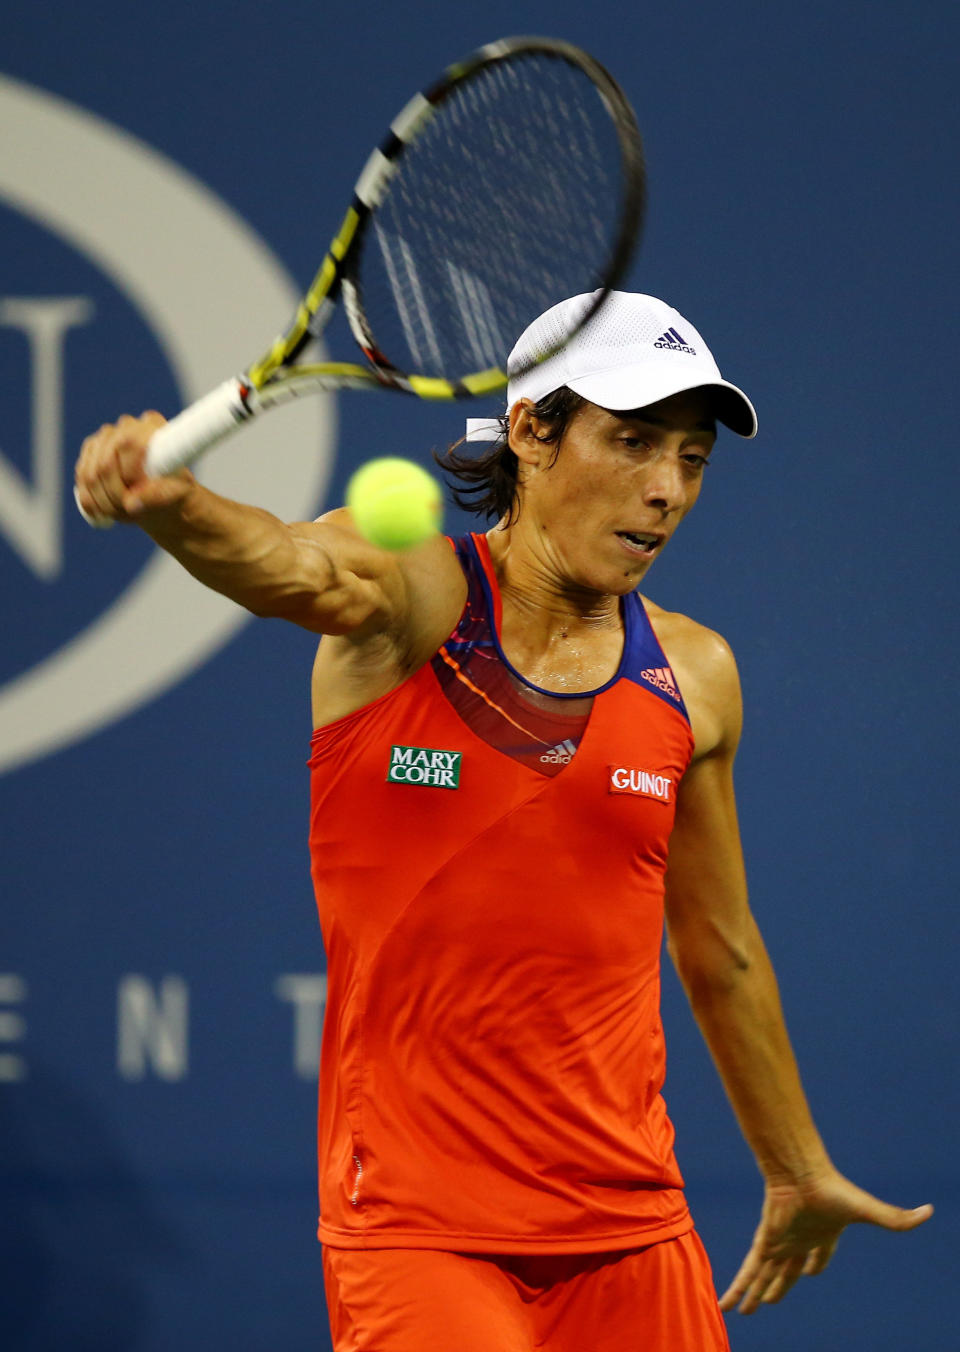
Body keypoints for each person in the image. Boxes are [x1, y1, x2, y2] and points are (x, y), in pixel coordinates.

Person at [75, 291, 932, 1351]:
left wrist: (795, 1163)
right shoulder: (414, 594)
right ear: (530, 430)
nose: (666, 490)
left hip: (632, 1230)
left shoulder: (696, 675)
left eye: (693, 459)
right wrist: (173, 505)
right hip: (417, 1232)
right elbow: (286, 563)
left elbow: (720, 947)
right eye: (631, 442)